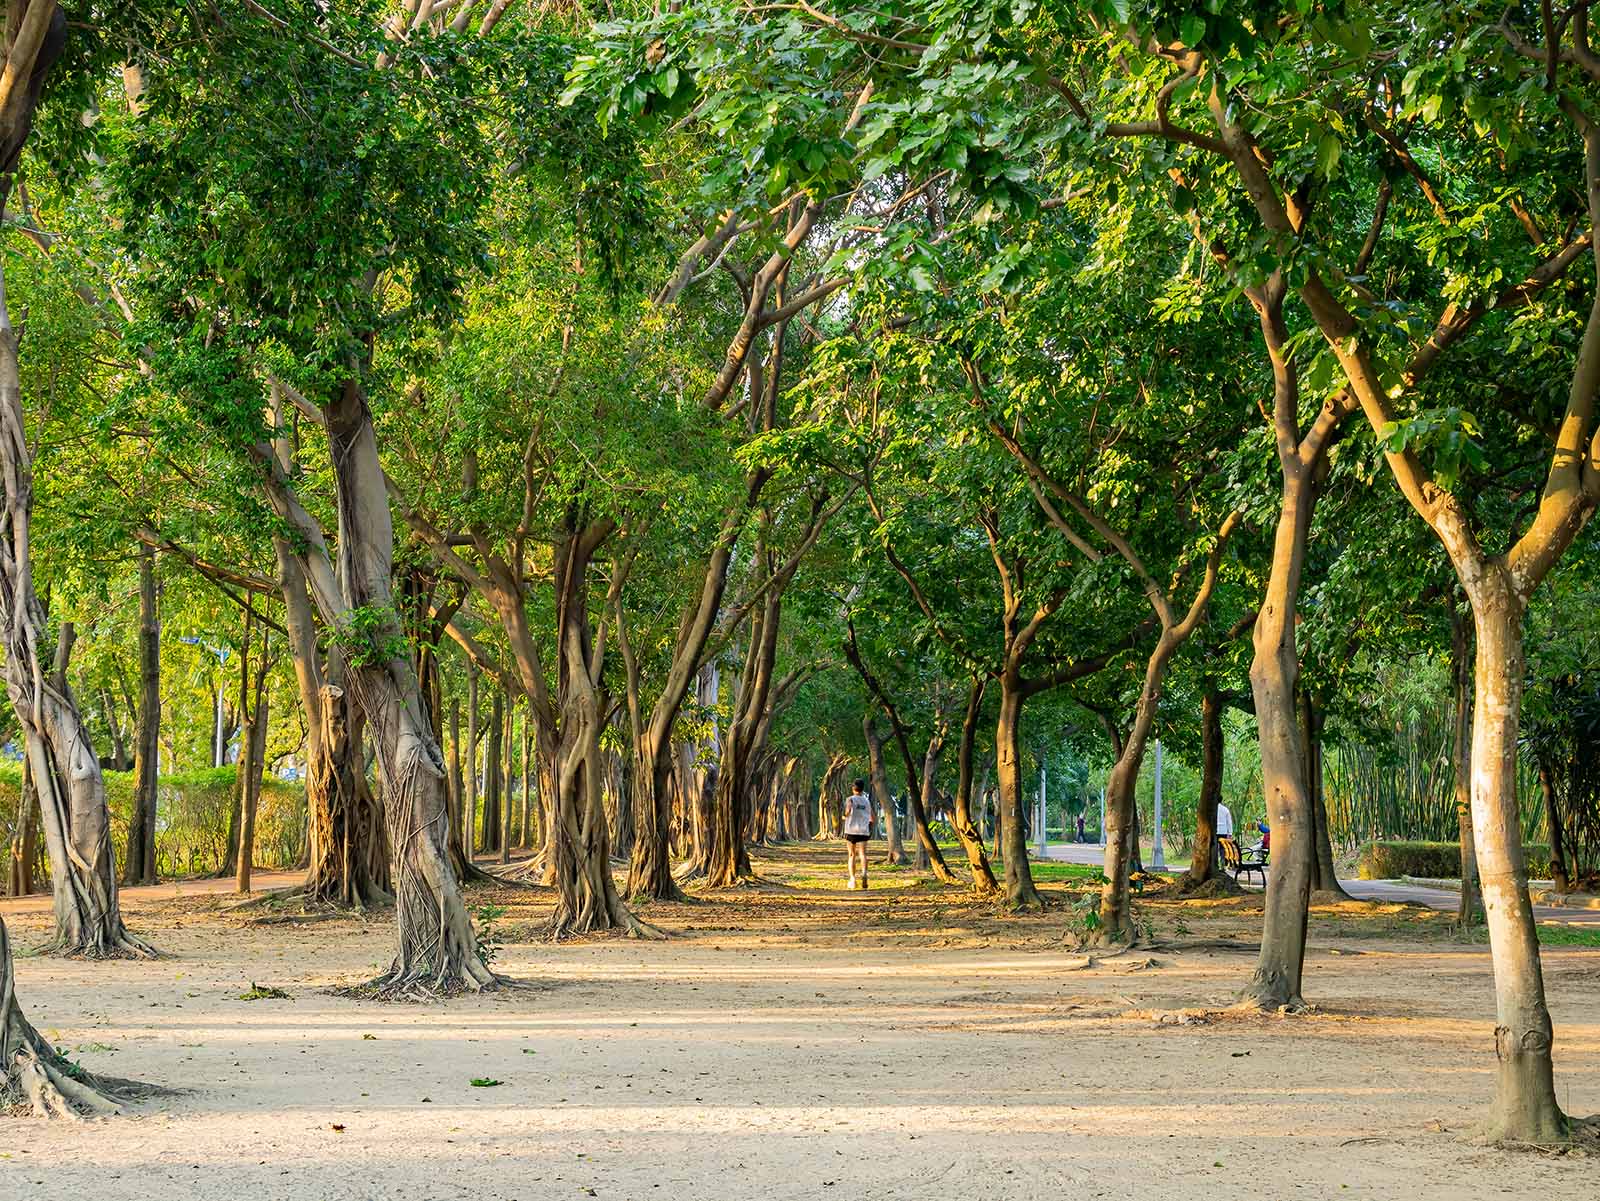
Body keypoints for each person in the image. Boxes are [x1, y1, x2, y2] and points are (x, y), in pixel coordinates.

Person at [842, 778, 873, 889]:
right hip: (863, 830)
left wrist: (844, 816)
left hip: (851, 830)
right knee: (863, 854)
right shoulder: (867, 801)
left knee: (851, 855)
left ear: (853, 788)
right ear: (862, 789)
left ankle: (853, 880)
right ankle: (864, 873)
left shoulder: (850, 799)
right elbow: (871, 816)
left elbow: (848, 811)